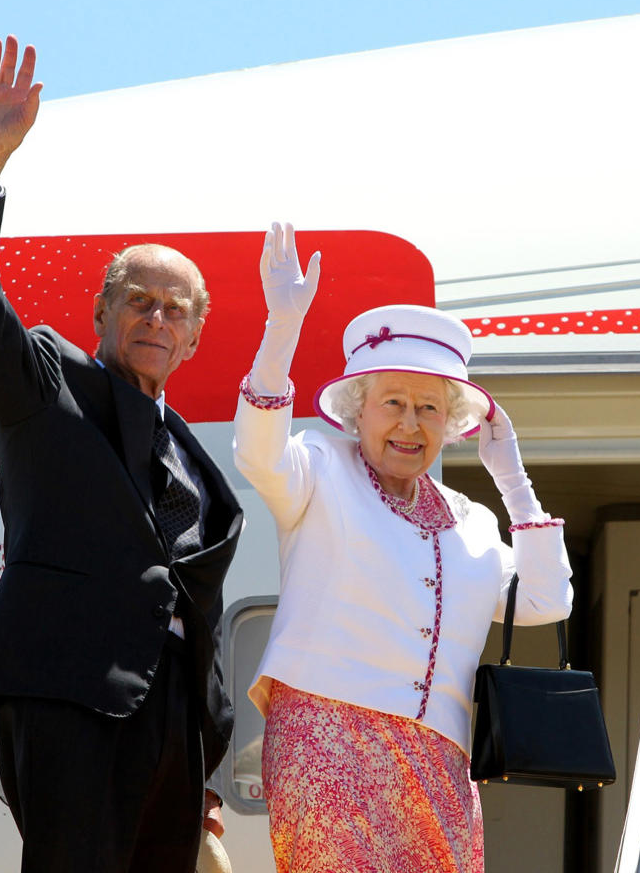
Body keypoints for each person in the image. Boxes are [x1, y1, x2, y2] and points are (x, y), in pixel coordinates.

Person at [0, 36, 242, 873]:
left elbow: (194, 603)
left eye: (175, 310)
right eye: (137, 301)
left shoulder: (191, 455)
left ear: (193, 337)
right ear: (102, 313)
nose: (155, 319)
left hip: (172, 720)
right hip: (68, 691)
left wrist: (203, 745)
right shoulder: (47, 382)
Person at [233, 224, 574, 872]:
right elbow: (258, 453)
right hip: (327, 740)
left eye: (428, 408)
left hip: (440, 759)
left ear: (450, 425)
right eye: (392, 402)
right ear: (357, 410)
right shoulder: (318, 468)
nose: (410, 424)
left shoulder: (471, 521)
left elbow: (546, 599)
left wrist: (513, 479)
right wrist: (281, 330)